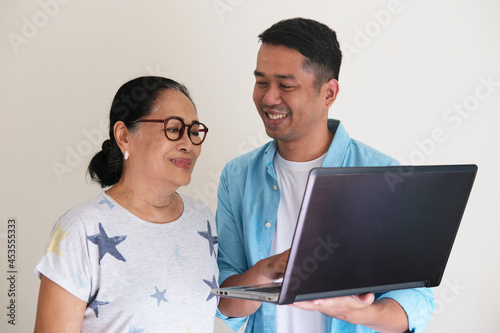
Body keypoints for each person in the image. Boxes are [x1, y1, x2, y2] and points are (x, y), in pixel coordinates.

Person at [216, 18, 435, 333]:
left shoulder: (384, 175)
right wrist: (269, 270)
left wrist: (361, 313)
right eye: (261, 81)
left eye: (285, 85)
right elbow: (226, 302)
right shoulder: (236, 176)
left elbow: (416, 300)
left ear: (329, 93)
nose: (268, 98)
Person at [34, 76, 218, 332]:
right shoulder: (81, 228)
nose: (188, 144)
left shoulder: (202, 219)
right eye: (174, 129)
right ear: (124, 136)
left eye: (195, 132)